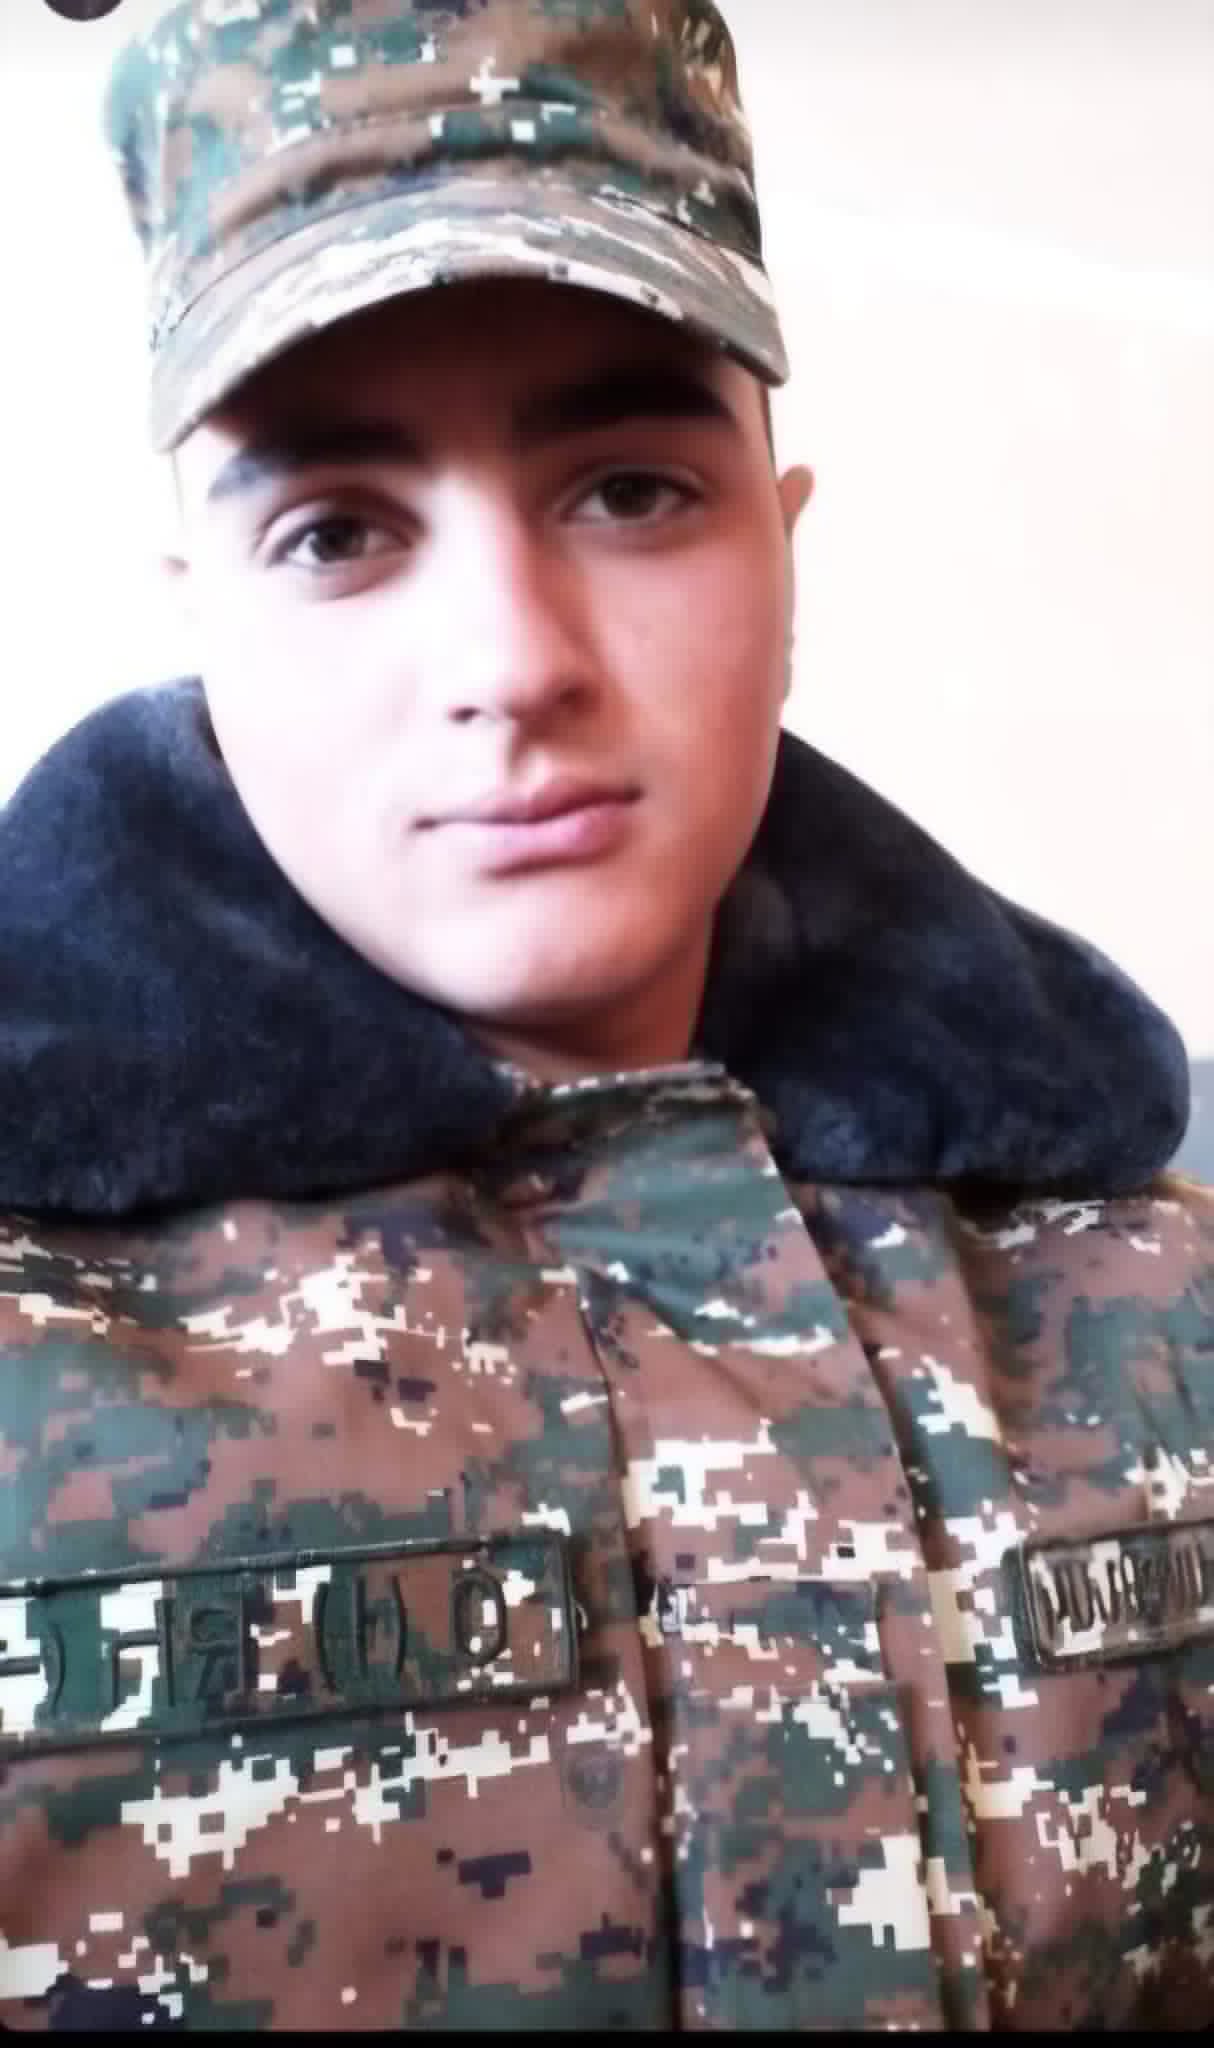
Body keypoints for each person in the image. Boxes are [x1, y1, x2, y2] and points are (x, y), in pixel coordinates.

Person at [0, 0, 1209, 2030]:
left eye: (630, 492)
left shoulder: (1152, 1294)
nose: (510, 659)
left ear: (782, 548)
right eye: (339, 532)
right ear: (201, 608)